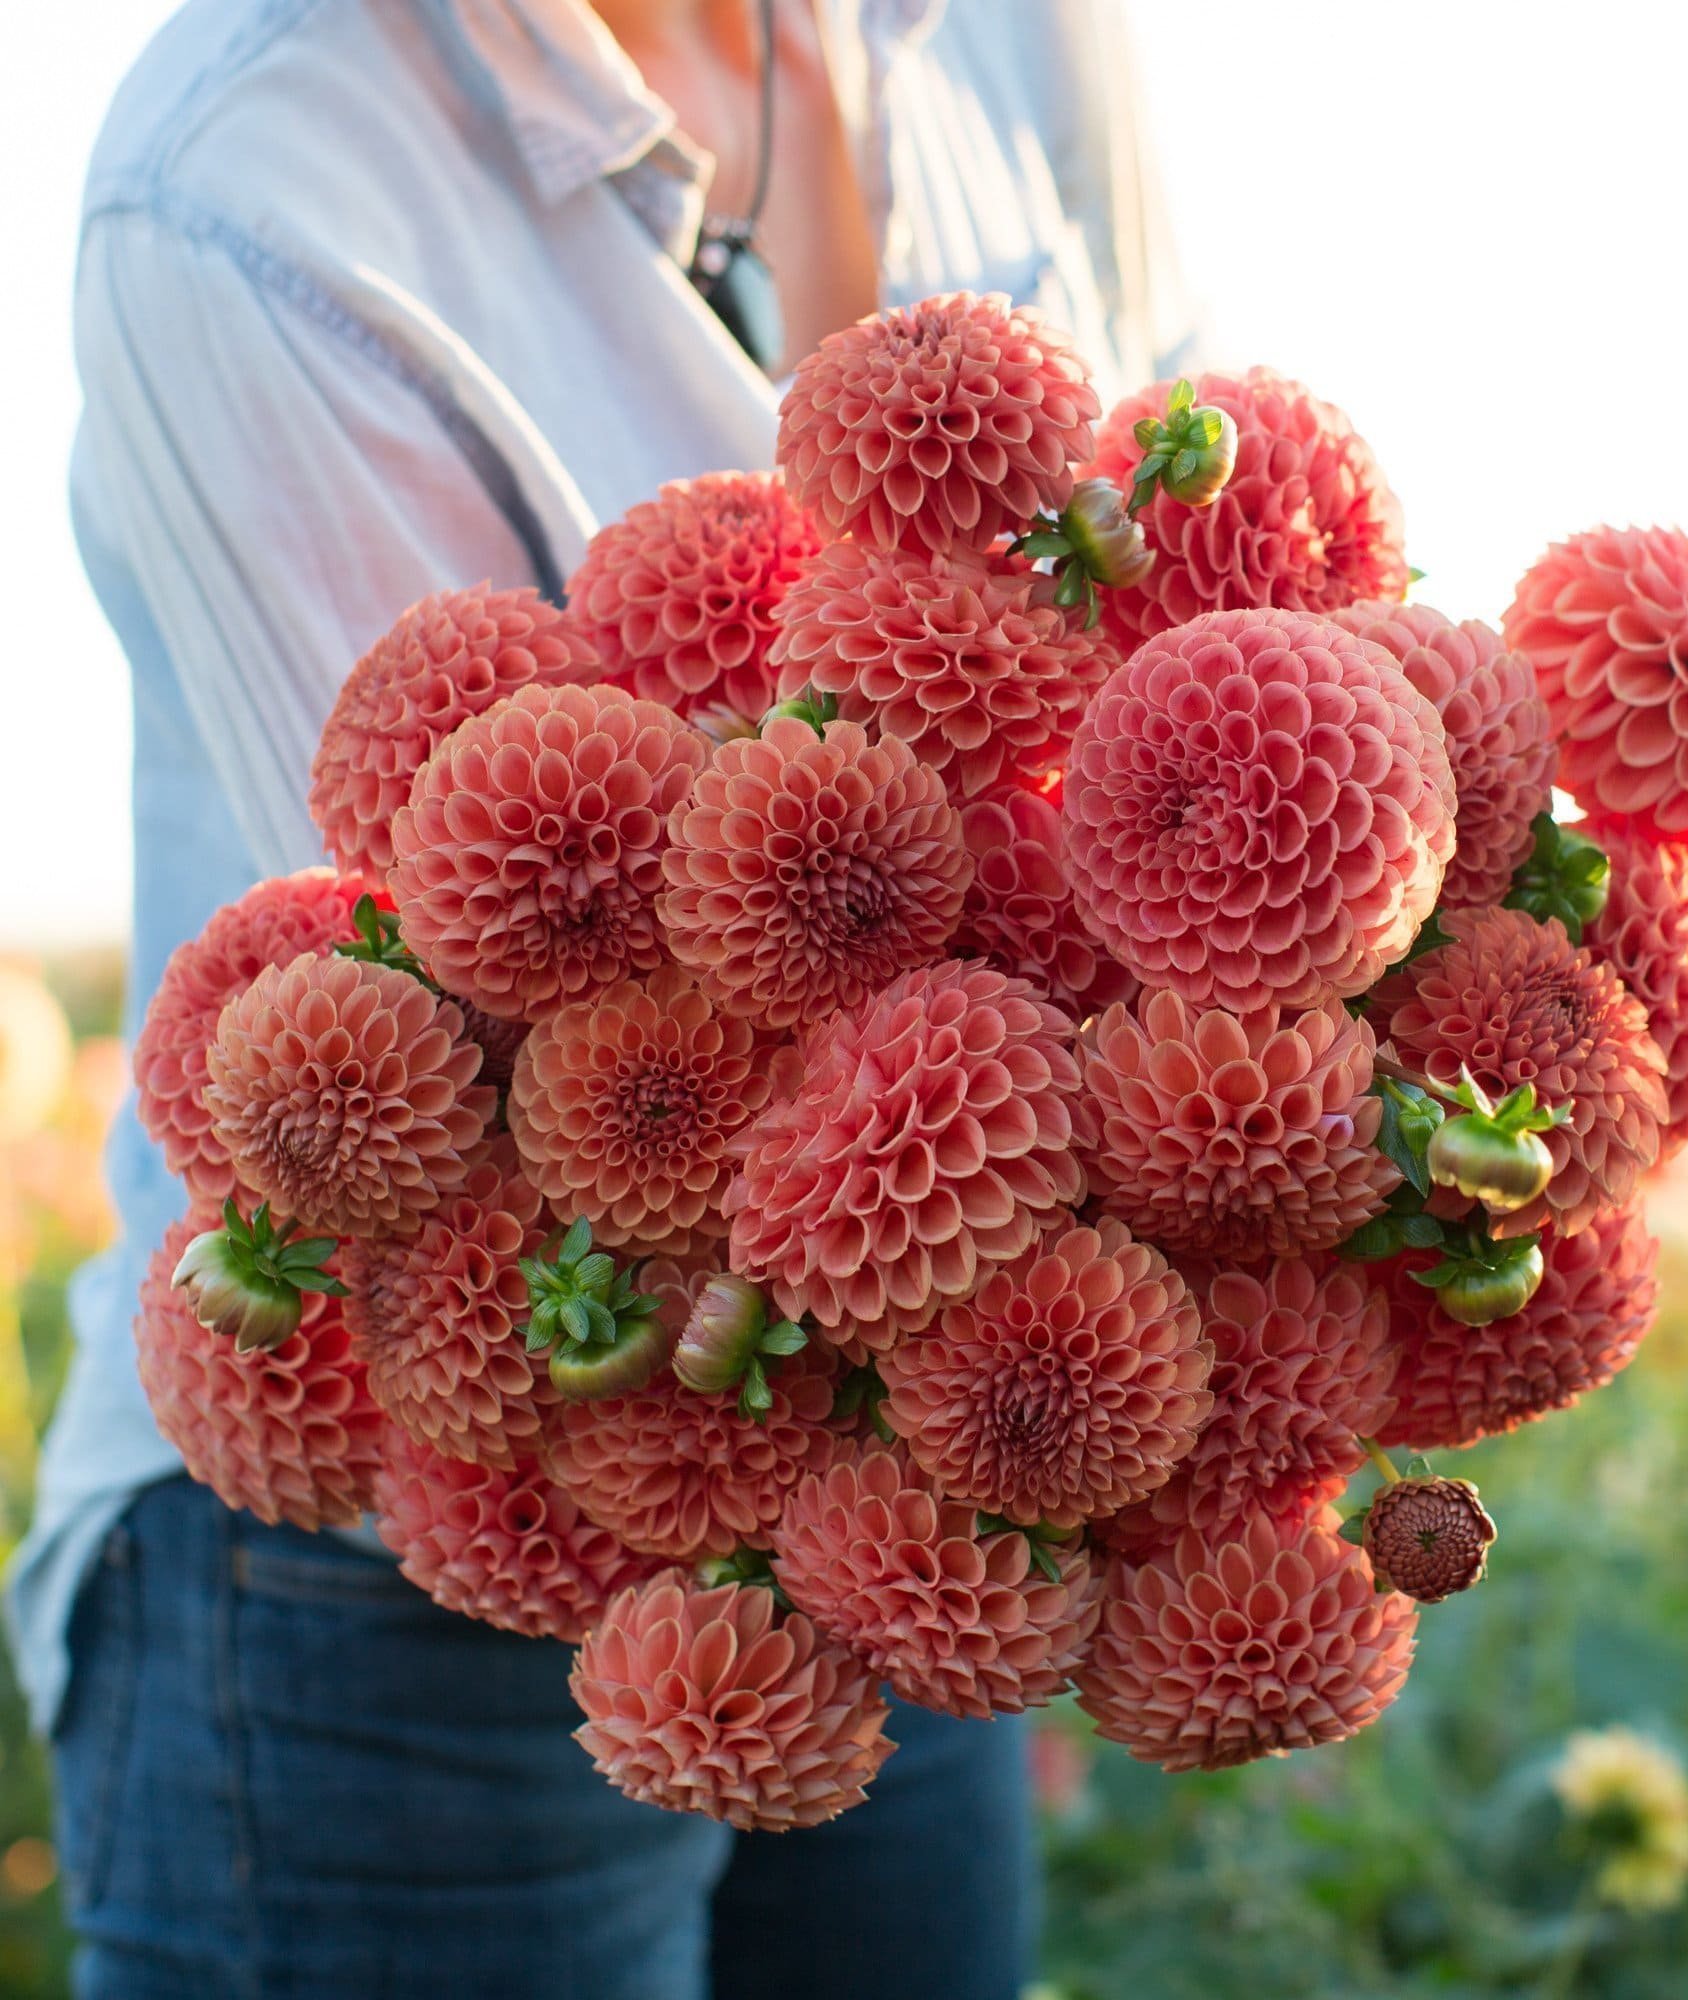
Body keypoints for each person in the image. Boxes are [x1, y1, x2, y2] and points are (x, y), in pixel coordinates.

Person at [6, 3, 1194, 1995]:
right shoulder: (250, 180)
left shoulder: (1012, 36)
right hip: (391, 1594)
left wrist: (1081, 1518)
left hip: (936, 1430)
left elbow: (1181, 599)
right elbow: (486, 1040)